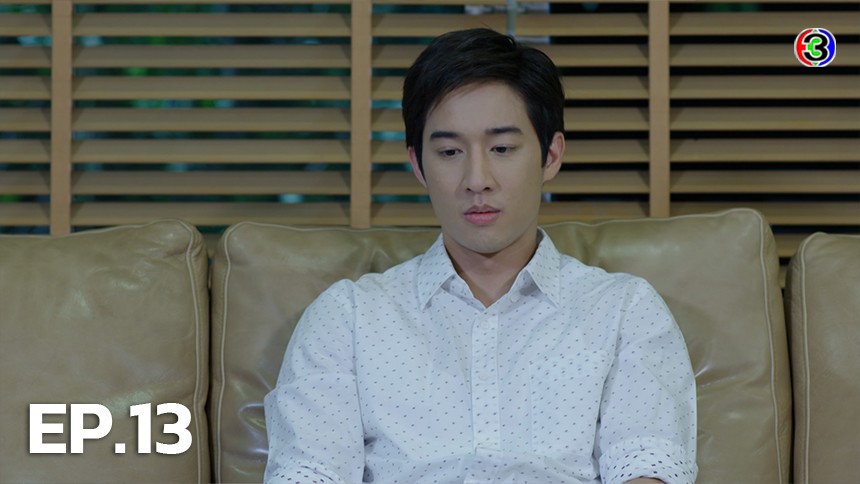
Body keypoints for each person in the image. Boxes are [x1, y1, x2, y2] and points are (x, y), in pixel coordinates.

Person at [264, 28, 697, 483]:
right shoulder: (348, 317)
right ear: (418, 165)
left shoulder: (624, 310)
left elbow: (648, 463)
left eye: (502, 149)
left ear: (550, 155)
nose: (477, 179)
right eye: (449, 151)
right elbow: (308, 470)